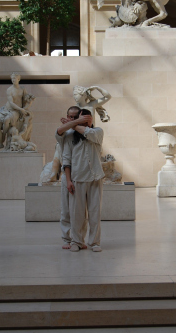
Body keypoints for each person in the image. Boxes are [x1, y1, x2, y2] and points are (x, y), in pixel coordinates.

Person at [63, 108, 105, 252]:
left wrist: (72, 123)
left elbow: (88, 133)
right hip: (77, 178)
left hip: (95, 178)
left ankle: (94, 242)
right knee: (77, 214)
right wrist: (68, 180)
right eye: (82, 118)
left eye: (88, 118)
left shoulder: (97, 132)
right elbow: (66, 159)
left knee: (95, 213)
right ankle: (76, 241)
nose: (85, 121)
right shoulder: (69, 136)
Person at [55, 106, 93, 249]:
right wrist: (70, 124)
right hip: (67, 174)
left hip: (80, 175)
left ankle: (79, 239)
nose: (71, 119)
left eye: (74, 117)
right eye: (69, 117)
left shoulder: (82, 132)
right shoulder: (65, 132)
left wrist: (74, 124)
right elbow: (59, 131)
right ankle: (67, 239)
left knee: (79, 211)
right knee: (66, 210)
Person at [0, 72, 30, 152]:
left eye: (15, 78)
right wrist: (21, 109)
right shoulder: (9, 90)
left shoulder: (22, 89)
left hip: (15, 111)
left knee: (7, 120)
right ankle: (0, 143)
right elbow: (11, 103)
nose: (13, 80)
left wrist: (29, 101)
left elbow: (27, 100)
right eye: (12, 78)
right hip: (6, 109)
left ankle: (4, 135)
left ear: (18, 79)